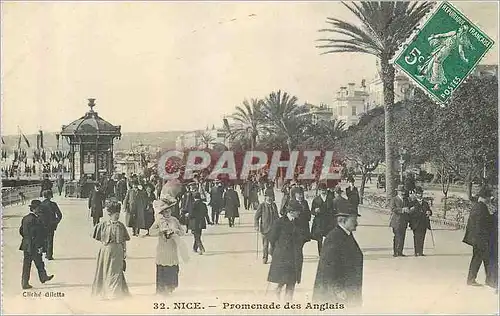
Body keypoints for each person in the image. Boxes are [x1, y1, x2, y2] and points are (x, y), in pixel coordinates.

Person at [313, 199, 363, 307]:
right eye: (354, 220)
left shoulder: (347, 234)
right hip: (336, 295)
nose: (357, 223)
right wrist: (338, 289)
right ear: (343, 220)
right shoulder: (333, 237)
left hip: (347, 292)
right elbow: (328, 267)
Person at [267, 206, 308, 301]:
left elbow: (305, 235)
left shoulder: (299, 222)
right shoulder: (279, 222)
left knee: (292, 280)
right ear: (291, 211)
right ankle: (279, 290)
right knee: (284, 278)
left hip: (295, 255)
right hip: (283, 255)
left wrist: (301, 242)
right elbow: (272, 238)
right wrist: (278, 248)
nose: (299, 213)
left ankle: (288, 301)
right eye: (298, 211)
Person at [91, 200, 130, 299]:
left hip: (118, 251)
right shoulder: (103, 225)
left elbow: (124, 240)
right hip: (106, 251)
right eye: (114, 214)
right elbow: (97, 236)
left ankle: (115, 293)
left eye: (118, 214)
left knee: (116, 272)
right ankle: (105, 292)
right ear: (110, 214)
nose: (117, 216)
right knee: (105, 271)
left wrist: (125, 251)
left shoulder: (121, 226)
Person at [150, 198, 189, 296]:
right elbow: (151, 232)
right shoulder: (159, 221)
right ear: (162, 213)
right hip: (162, 248)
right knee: (162, 267)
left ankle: (170, 288)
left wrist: (175, 231)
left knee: (172, 267)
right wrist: (160, 232)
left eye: (169, 211)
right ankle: (161, 289)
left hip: (172, 248)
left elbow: (182, 232)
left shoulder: (174, 220)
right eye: (165, 212)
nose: (167, 213)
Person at [20, 200, 54, 289]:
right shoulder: (36, 220)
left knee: (27, 264)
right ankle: (43, 277)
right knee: (39, 262)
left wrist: (26, 239)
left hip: (26, 245)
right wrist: (40, 246)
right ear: (34, 209)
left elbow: (21, 231)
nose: (40, 210)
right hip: (34, 245)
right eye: (38, 208)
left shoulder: (25, 218)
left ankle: (25, 282)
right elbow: (38, 235)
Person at [463, 188, 494, 286]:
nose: (489, 199)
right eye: (488, 197)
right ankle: (487, 280)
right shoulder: (481, 207)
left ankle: (474, 279)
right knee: (484, 259)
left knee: (480, 258)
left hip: (476, 238)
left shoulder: (477, 206)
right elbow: (483, 223)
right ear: (485, 197)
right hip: (480, 238)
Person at [254, 191, 279, 264]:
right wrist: (256, 225)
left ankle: (273, 256)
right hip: (265, 229)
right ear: (265, 197)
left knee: (274, 245)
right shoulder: (262, 205)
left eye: (271, 196)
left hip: (273, 229)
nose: (270, 198)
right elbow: (256, 217)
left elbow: (277, 216)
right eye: (268, 196)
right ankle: (265, 258)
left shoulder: (274, 205)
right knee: (265, 245)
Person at [311, 184, 335, 256]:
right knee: (319, 239)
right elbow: (312, 211)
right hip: (319, 221)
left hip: (329, 221)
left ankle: (329, 252)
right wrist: (315, 211)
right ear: (319, 191)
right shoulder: (316, 200)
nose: (323, 191)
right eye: (321, 190)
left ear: (326, 190)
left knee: (329, 237)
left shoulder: (331, 198)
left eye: (324, 190)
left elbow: (334, 210)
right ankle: (320, 254)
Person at [408, 186, 432, 256]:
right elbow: (410, 213)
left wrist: (429, 212)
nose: (420, 195)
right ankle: (416, 252)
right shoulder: (412, 203)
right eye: (418, 193)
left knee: (422, 237)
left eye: (421, 193)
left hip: (424, 223)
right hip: (416, 223)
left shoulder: (425, 203)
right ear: (416, 194)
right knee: (416, 237)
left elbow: (430, 211)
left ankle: (421, 251)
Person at [39, 190, 63, 260]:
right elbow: (60, 215)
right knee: (50, 240)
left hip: (42, 225)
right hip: (51, 225)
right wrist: (56, 222)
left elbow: (38, 215)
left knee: (43, 239)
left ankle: (44, 252)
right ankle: (49, 255)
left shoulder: (41, 204)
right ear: (50, 196)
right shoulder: (53, 204)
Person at [389, 185, 410, 257]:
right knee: (397, 236)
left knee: (402, 236)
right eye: (401, 191)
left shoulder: (406, 200)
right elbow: (393, 209)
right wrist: (402, 210)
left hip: (404, 221)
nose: (402, 193)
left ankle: (400, 251)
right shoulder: (394, 199)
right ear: (398, 191)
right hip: (396, 221)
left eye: (403, 191)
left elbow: (409, 208)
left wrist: (408, 210)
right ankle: (395, 252)